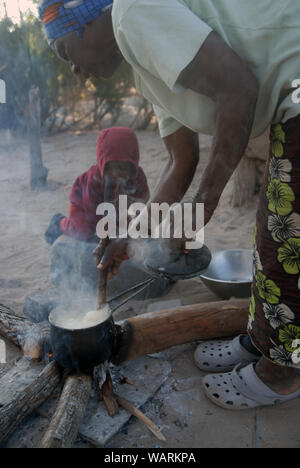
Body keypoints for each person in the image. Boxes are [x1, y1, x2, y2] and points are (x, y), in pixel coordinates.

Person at [39, 0, 300, 409]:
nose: (72, 68)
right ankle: (261, 341)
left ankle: (281, 374)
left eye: (63, 51)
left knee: (286, 242)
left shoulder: (131, 11)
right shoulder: (143, 65)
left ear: (85, 23)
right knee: (271, 241)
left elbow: (239, 87)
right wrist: (132, 233)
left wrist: (200, 208)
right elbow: (182, 161)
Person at [45, 126, 150, 245]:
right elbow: (93, 215)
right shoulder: (94, 180)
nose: (117, 173)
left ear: (133, 163)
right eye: (111, 167)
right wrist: (107, 235)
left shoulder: (138, 176)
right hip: (84, 206)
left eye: (123, 167)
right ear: (102, 163)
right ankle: (59, 223)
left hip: (116, 209)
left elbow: (143, 203)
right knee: (83, 231)